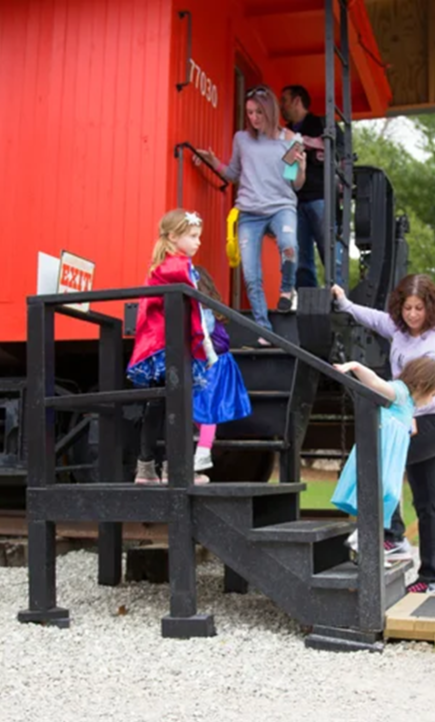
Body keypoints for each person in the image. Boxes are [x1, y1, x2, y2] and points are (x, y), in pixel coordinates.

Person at [332, 274, 435, 593]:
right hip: (414, 414)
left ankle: (392, 536)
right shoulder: (400, 328)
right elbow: (375, 319)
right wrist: (345, 304)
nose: (412, 315)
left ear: (430, 307)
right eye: (407, 308)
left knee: (384, 458)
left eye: (419, 308)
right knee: (428, 500)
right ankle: (431, 579)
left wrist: (412, 415)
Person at [200, 86, 306, 344]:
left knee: (289, 245)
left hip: (281, 206)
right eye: (249, 113)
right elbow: (234, 174)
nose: (254, 118)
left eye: (259, 112)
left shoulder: (291, 139)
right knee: (250, 275)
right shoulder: (242, 139)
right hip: (249, 212)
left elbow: (295, 184)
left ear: (270, 111)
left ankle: (286, 290)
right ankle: (263, 329)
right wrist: (214, 162)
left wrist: (301, 168)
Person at [127, 209, 217, 485]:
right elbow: (195, 308)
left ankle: (148, 468)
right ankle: (174, 469)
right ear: (174, 237)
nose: (198, 242)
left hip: (162, 344)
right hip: (168, 345)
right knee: (177, 405)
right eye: (193, 236)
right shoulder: (175, 268)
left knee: (159, 405)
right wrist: (204, 344)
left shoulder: (166, 266)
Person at [330, 356, 435, 557]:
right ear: (422, 385)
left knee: (387, 496)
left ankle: (369, 542)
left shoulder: (409, 404)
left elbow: (403, 418)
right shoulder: (400, 392)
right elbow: (376, 383)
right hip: (381, 453)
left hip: (391, 459)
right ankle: (365, 540)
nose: (432, 400)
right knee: (384, 492)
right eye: (433, 394)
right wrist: (355, 366)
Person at [190, 269, 252, 479]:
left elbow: (202, 336)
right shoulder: (209, 309)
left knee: (207, 410)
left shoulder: (203, 312)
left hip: (213, 363)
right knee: (202, 409)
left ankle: (203, 449)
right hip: (214, 362)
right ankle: (204, 443)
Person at [279, 84, 340, 288]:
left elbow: (341, 153)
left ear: (297, 101)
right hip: (294, 201)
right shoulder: (284, 132)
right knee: (300, 259)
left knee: (331, 253)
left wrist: (303, 142)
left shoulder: (323, 124)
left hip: (321, 197)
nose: (281, 106)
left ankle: (338, 298)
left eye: (285, 100)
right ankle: (308, 300)